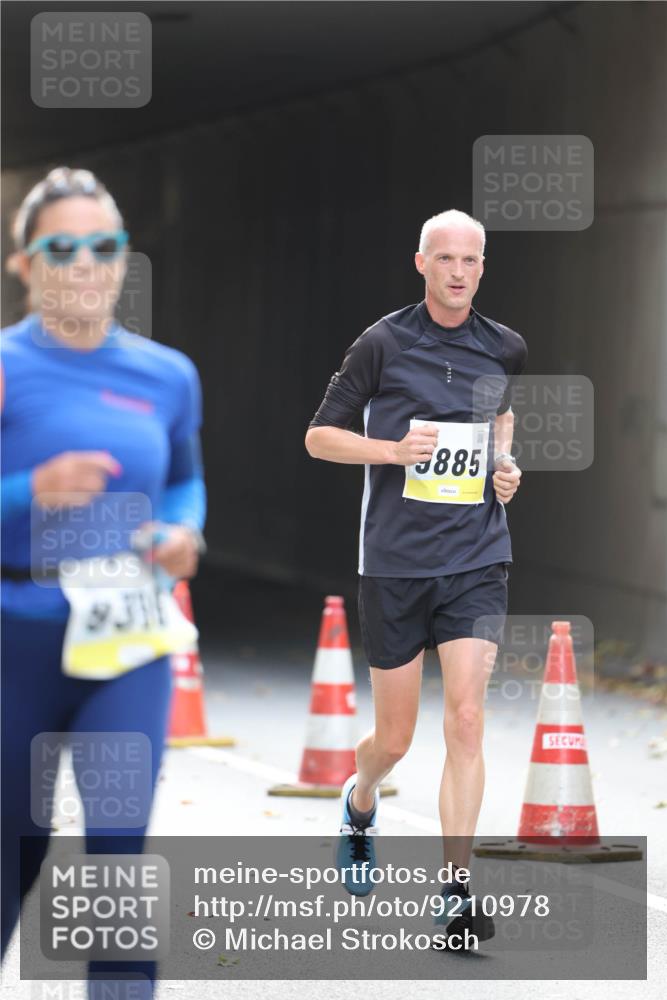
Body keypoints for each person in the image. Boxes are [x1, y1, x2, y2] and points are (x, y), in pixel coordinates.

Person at [1, 167, 206, 996]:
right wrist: (30, 492)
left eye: (104, 245)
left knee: (119, 854)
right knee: (14, 845)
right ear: (25, 265)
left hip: (126, 634)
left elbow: (187, 474)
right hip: (14, 632)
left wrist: (186, 530)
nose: (84, 262)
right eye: (62, 247)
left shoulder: (168, 374)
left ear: (124, 259)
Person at [305, 209, 526, 943]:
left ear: (482, 268)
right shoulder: (383, 343)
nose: (458, 271)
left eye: (471, 260)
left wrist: (503, 468)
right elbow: (319, 438)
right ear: (421, 263)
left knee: (465, 718)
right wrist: (394, 452)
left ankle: (456, 890)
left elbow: (499, 423)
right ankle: (360, 798)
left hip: (476, 557)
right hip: (395, 563)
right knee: (394, 740)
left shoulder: (505, 347)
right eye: (445, 259)